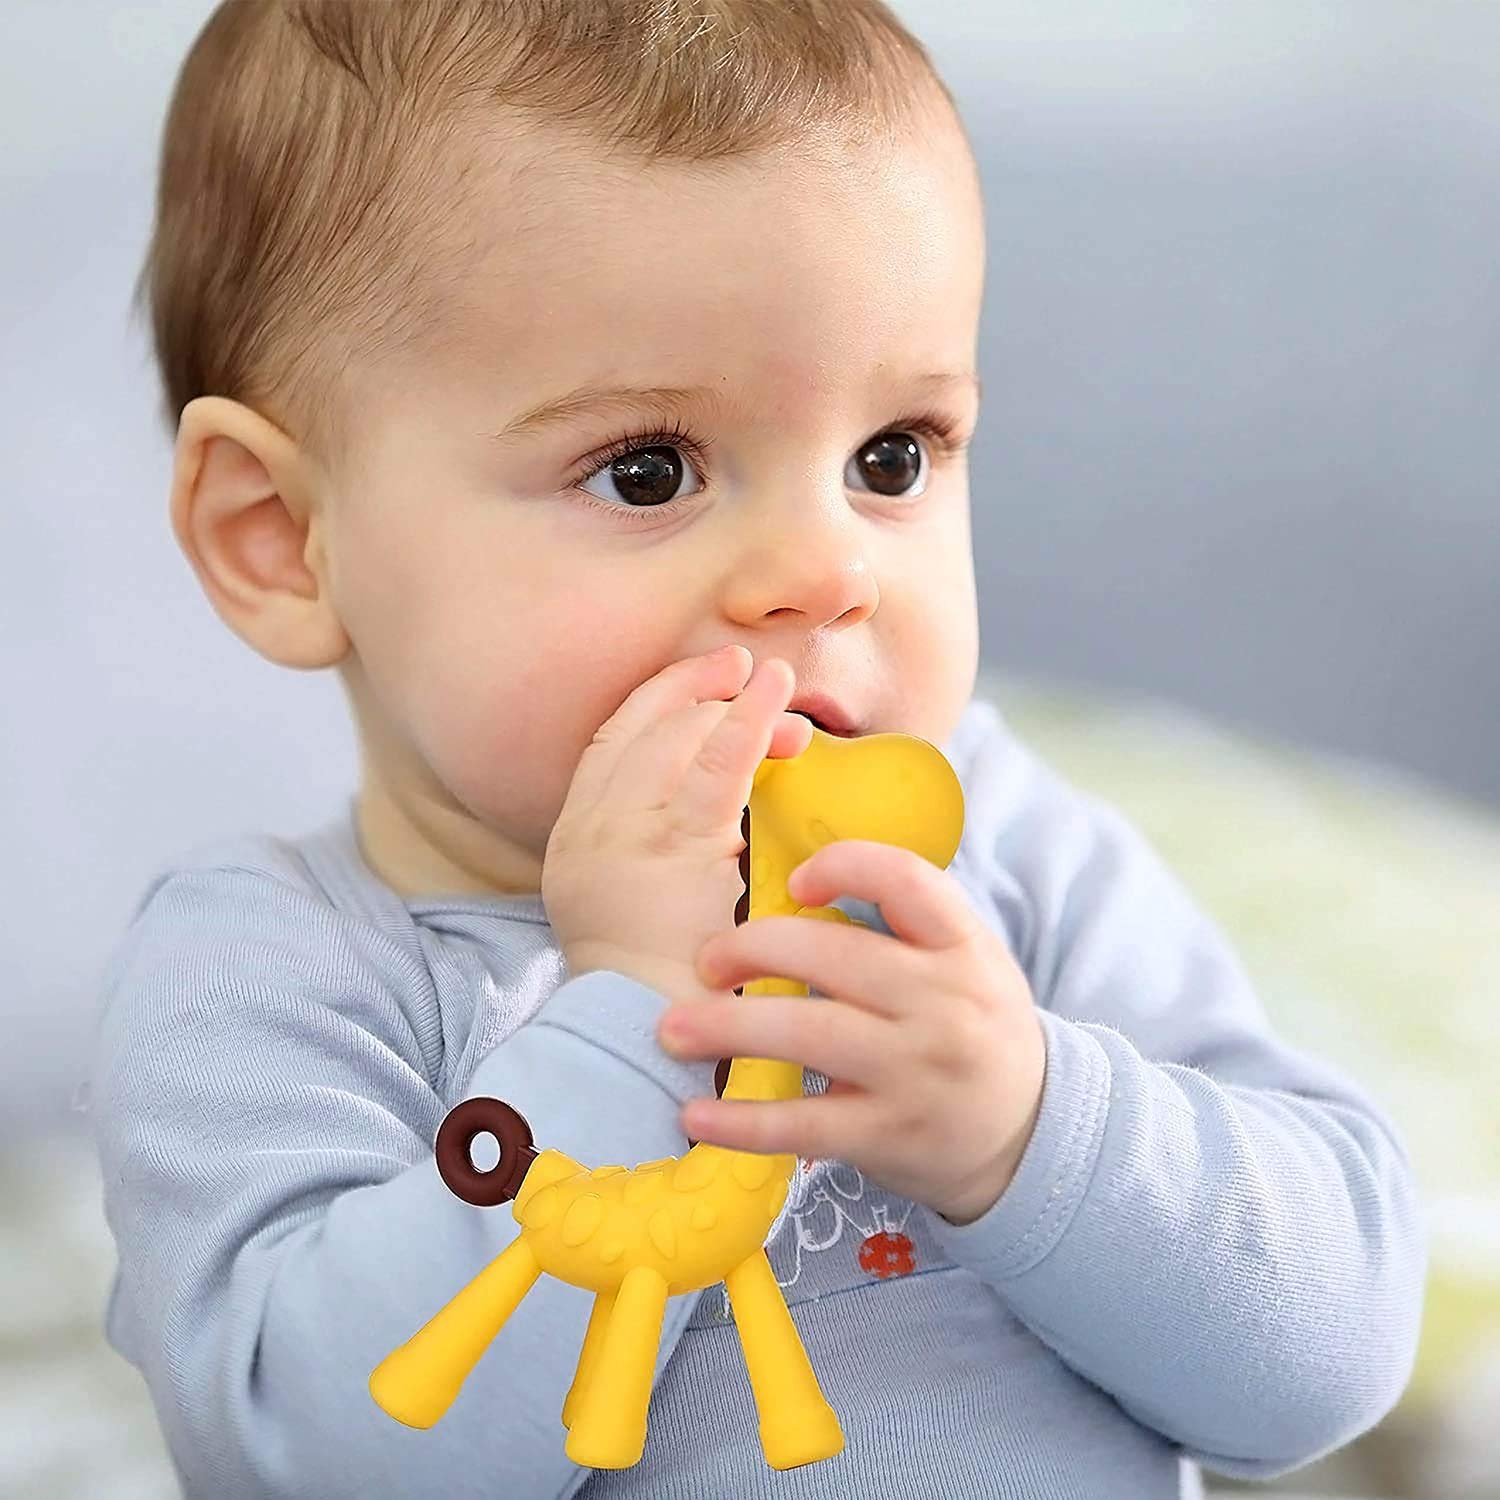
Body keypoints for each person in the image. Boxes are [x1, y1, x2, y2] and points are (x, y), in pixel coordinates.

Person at [85, 2, 1426, 1496]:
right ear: (281, 539)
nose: (829, 570)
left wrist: (1031, 1130)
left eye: (891, 458)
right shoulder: (272, 975)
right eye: (647, 471)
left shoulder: (1001, 860)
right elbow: (321, 1461)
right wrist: (627, 1015)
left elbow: (1331, 1355)